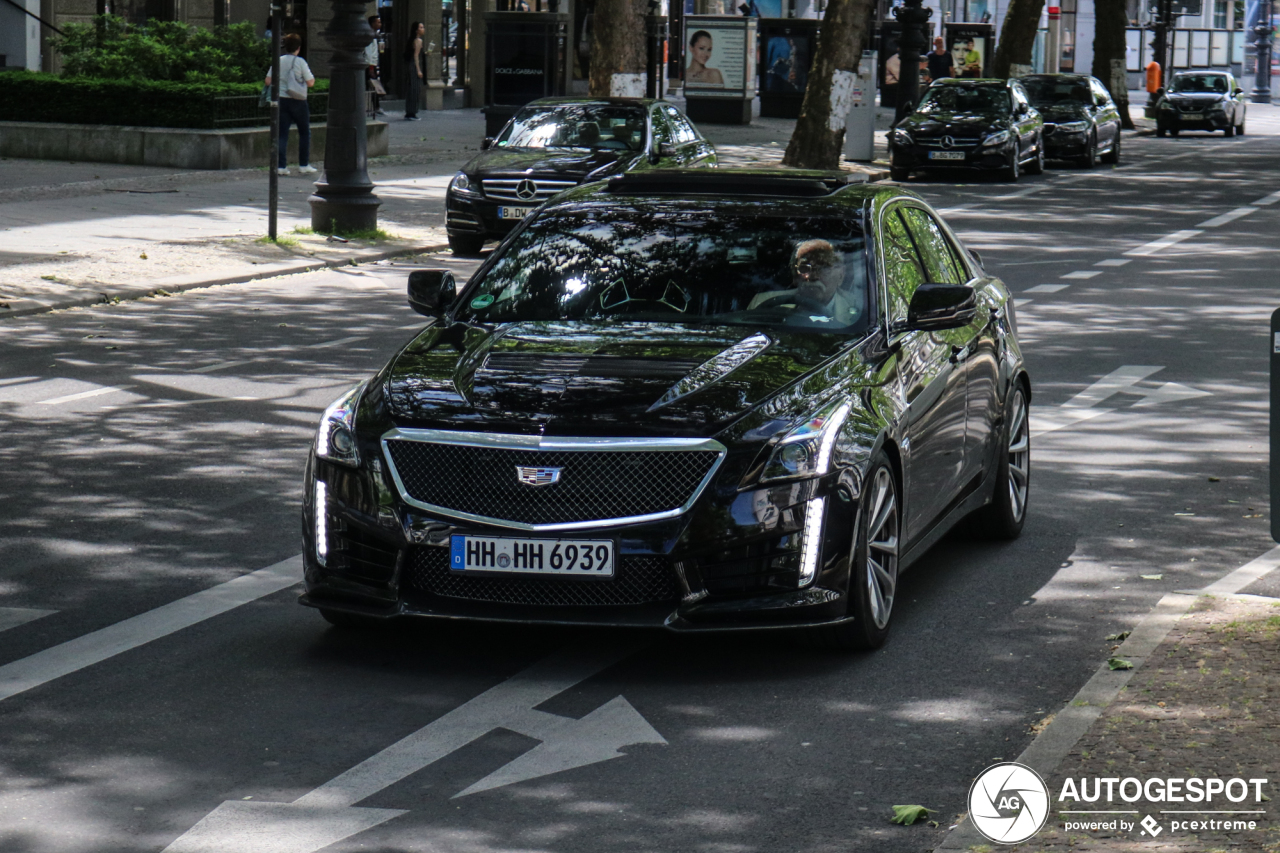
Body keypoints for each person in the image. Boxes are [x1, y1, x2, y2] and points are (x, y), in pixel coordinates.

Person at [746, 240, 860, 324]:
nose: (814, 276)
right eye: (805, 268)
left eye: (823, 268)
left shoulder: (860, 310)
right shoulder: (762, 304)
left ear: (841, 275)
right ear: (795, 276)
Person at [265, 33, 316, 176]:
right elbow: (310, 82)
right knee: (304, 132)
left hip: (282, 100)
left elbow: (268, 81)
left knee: (282, 134)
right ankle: (303, 165)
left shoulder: (278, 61)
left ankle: (281, 167)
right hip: (299, 101)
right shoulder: (300, 62)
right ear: (299, 48)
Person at [363, 15, 385, 117]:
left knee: (372, 86)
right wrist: (371, 66)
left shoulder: (375, 35)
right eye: (378, 22)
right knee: (371, 86)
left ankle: (375, 106)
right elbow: (369, 52)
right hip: (369, 65)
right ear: (372, 23)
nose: (380, 24)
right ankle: (373, 107)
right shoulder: (370, 35)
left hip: (372, 64)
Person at [405, 21, 424, 120]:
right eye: (421, 27)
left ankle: (409, 111)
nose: (423, 29)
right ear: (416, 30)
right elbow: (416, 55)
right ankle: (412, 112)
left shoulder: (412, 40)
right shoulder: (418, 41)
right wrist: (419, 70)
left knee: (411, 89)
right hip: (414, 66)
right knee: (415, 90)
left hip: (410, 65)